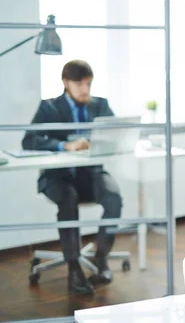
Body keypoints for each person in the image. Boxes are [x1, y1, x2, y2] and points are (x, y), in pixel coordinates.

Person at [22, 60, 122, 296]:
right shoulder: (49, 108)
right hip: (58, 178)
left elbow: (117, 132)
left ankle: (100, 258)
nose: (86, 89)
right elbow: (29, 141)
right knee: (68, 198)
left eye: (88, 83)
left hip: (91, 175)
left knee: (114, 197)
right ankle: (74, 268)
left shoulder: (100, 105)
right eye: (79, 84)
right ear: (66, 83)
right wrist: (63, 145)